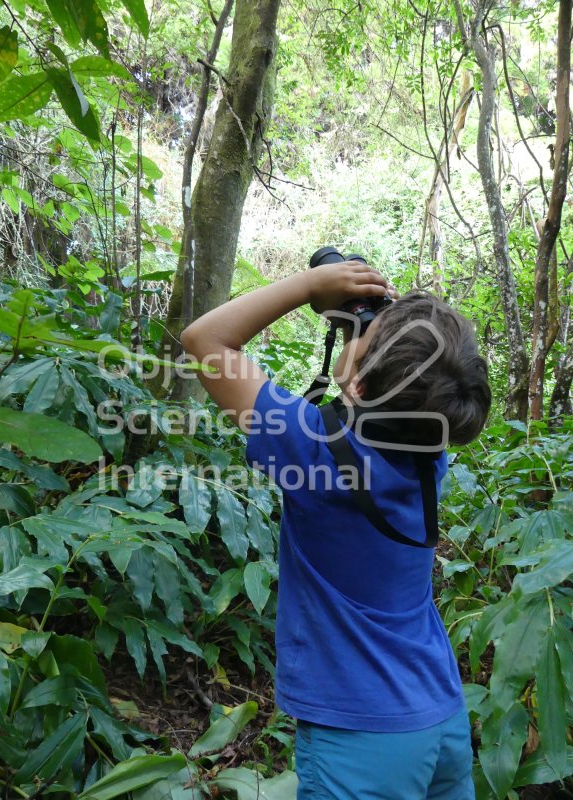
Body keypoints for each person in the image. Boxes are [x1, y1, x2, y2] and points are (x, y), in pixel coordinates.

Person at [180, 259, 491, 800]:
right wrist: (374, 350)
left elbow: (204, 339)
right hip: (440, 716)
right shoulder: (429, 453)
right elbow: (396, 406)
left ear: (363, 381)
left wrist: (309, 287)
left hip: (360, 737)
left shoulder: (312, 452)